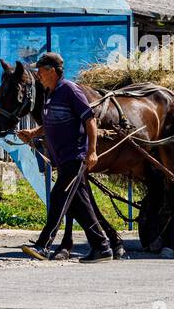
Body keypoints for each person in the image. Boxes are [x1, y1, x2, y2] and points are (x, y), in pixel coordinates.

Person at [17, 52, 114, 263]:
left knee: (59, 198)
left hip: (74, 157)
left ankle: (43, 246)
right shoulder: (51, 93)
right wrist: (34, 133)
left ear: (51, 71)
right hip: (62, 160)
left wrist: (92, 151)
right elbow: (53, 121)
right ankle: (102, 247)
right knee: (81, 206)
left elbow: (89, 120)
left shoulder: (69, 90)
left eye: (40, 70)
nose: (38, 74)